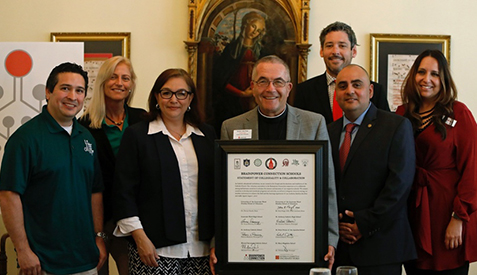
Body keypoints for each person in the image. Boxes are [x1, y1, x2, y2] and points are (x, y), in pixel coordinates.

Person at [221, 55, 339, 269]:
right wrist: (218, 242)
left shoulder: (314, 124)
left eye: (278, 82)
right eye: (263, 81)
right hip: (250, 240)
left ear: (289, 87)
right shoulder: (232, 127)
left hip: (299, 239)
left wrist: (331, 238)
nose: (270, 89)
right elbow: (223, 191)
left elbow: (327, 186)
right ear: (253, 86)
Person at [0, 62, 106, 274]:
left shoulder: (86, 137)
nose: (72, 97)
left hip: (86, 259)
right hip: (42, 262)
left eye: (79, 90)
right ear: (48, 92)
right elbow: (9, 195)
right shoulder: (25, 139)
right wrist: (23, 250)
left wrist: (99, 237)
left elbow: (95, 192)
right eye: (65, 88)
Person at [112, 68, 216, 275]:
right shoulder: (138, 135)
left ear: (191, 98)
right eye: (166, 93)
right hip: (154, 250)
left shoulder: (207, 134)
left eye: (181, 93)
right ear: (157, 97)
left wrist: (217, 240)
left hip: (202, 250)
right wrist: (140, 238)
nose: (174, 99)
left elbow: (217, 190)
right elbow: (123, 192)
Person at [327, 64, 416, 275]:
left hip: (380, 247)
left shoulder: (396, 126)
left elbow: (399, 185)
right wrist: (332, 226)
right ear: (336, 93)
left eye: (357, 85)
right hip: (338, 248)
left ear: (371, 91)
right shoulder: (326, 131)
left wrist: (363, 224)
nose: (349, 90)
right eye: (342, 86)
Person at [396, 49, 477, 274]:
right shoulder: (402, 113)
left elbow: (473, 169)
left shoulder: (459, 113)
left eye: (435, 74)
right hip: (412, 212)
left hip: (447, 215)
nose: (427, 79)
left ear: (444, 80)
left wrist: (459, 217)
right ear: (413, 76)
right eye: (421, 72)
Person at [79, 56, 146, 275]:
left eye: (125, 78)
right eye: (113, 77)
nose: (119, 83)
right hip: (99, 218)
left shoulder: (143, 120)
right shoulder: (84, 125)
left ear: (132, 84)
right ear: (102, 82)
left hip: (136, 217)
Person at [294, 21, 389, 124]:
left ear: (354, 51)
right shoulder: (304, 91)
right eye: (329, 46)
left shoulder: (376, 91)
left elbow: (386, 128)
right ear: (321, 51)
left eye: (342, 46)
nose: (335, 51)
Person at [213, 11, 267, 133]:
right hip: (233, 99)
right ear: (245, 25)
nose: (254, 32)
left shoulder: (261, 51)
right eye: (253, 26)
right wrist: (241, 93)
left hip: (255, 98)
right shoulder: (232, 49)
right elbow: (221, 79)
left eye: (258, 30)